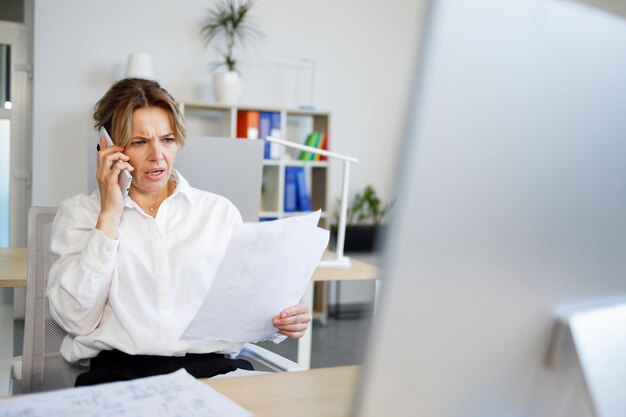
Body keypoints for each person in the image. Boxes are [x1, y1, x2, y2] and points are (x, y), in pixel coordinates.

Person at [47, 78, 311, 386]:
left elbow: (251, 301)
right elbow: (75, 319)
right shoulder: (82, 213)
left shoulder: (217, 212)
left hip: (213, 372)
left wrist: (285, 318)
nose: (157, 155)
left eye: (167, 139)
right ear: (108, 148)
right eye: (139, 142)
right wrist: (109, 214)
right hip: (122, 376)